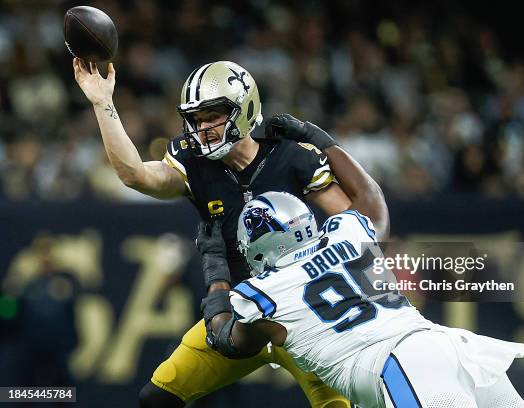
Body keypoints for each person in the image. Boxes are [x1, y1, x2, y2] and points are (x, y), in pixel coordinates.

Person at [73, 58, 388, 407]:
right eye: (196, 119)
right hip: (242, 313)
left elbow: (355, 228)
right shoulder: (194, 162)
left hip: (301, 315)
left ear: (244, 109)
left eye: (212, 116)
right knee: (157, 398)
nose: (203, 127)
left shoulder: (290, 156)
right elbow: (136, 175)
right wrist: (103, 102)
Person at [200, 191, 524, 408]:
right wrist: (318, 140)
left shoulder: (265, 292)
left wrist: (215, 270)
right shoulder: (347, 232)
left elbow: (227, 339)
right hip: (451, 346)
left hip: (403, 367)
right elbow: (372, 204)